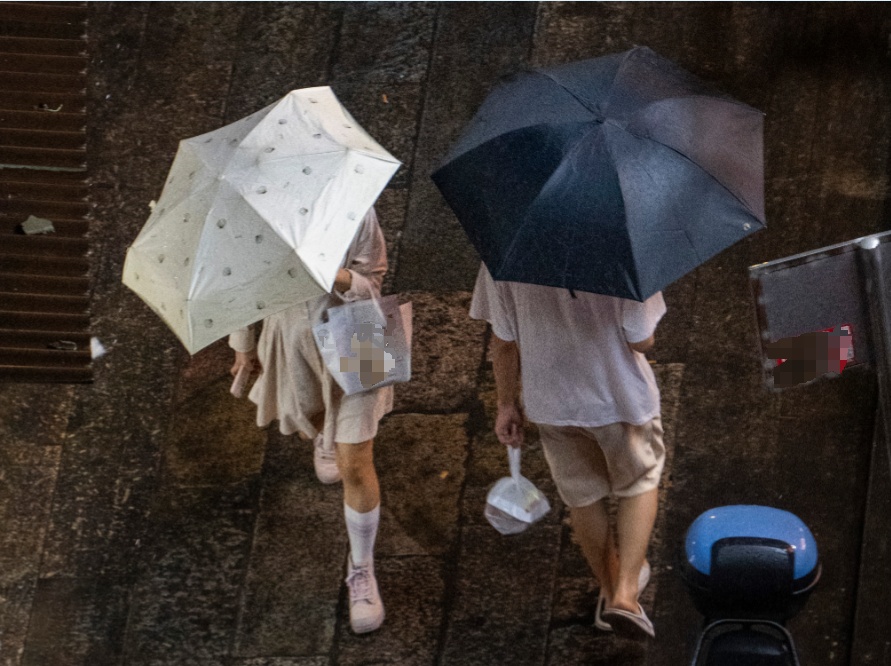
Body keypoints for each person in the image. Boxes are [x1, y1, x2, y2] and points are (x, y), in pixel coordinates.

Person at [470, 264, 666, 639]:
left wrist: (506, 403)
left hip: (551, 401)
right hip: (619, 398)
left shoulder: (506, 256)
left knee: (583, 497)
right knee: (640, 482)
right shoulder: (621, 253)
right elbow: (641, 339)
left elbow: (504, 341)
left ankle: (608, 593)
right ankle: (626, 593)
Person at [229, 207, 392, 634]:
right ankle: (325, 436)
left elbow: (370, 285)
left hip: (359, 335)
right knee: (314, 415)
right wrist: (244, 344)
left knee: (356, 461)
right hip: (295, 338)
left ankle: (362, 569)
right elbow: (242, 280)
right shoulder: (255, 214)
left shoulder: (355, 209)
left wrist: (330, 273)